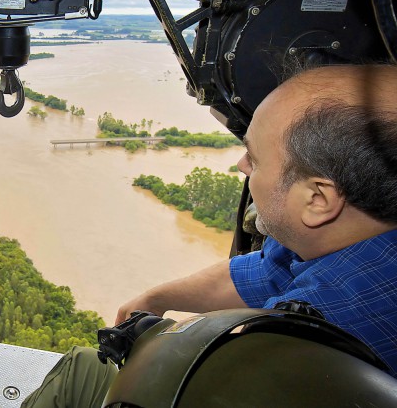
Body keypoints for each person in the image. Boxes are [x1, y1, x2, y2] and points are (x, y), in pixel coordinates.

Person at [21, 63, 397, 407]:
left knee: (81, 368)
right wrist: (158, 297)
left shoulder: (323, 330)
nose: (241, 166)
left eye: (255, 158)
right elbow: (269, 270)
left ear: (317, 199)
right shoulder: (347, 239)